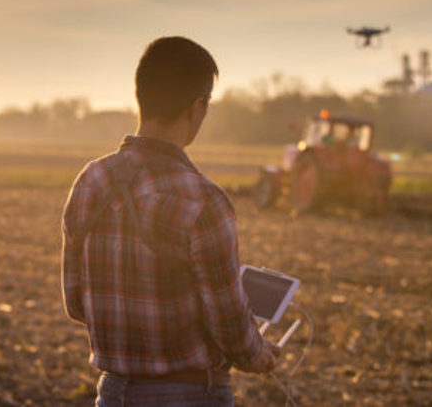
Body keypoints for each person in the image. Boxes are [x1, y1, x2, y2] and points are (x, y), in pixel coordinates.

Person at [61, 36, 280, 406]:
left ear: (140, 96)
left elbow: (75, 303)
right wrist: (258, 355)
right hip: (191, 396)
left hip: (112, 393)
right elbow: (229, 326)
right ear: (197, 107)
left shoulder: (91, 181)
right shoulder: (203, 199)